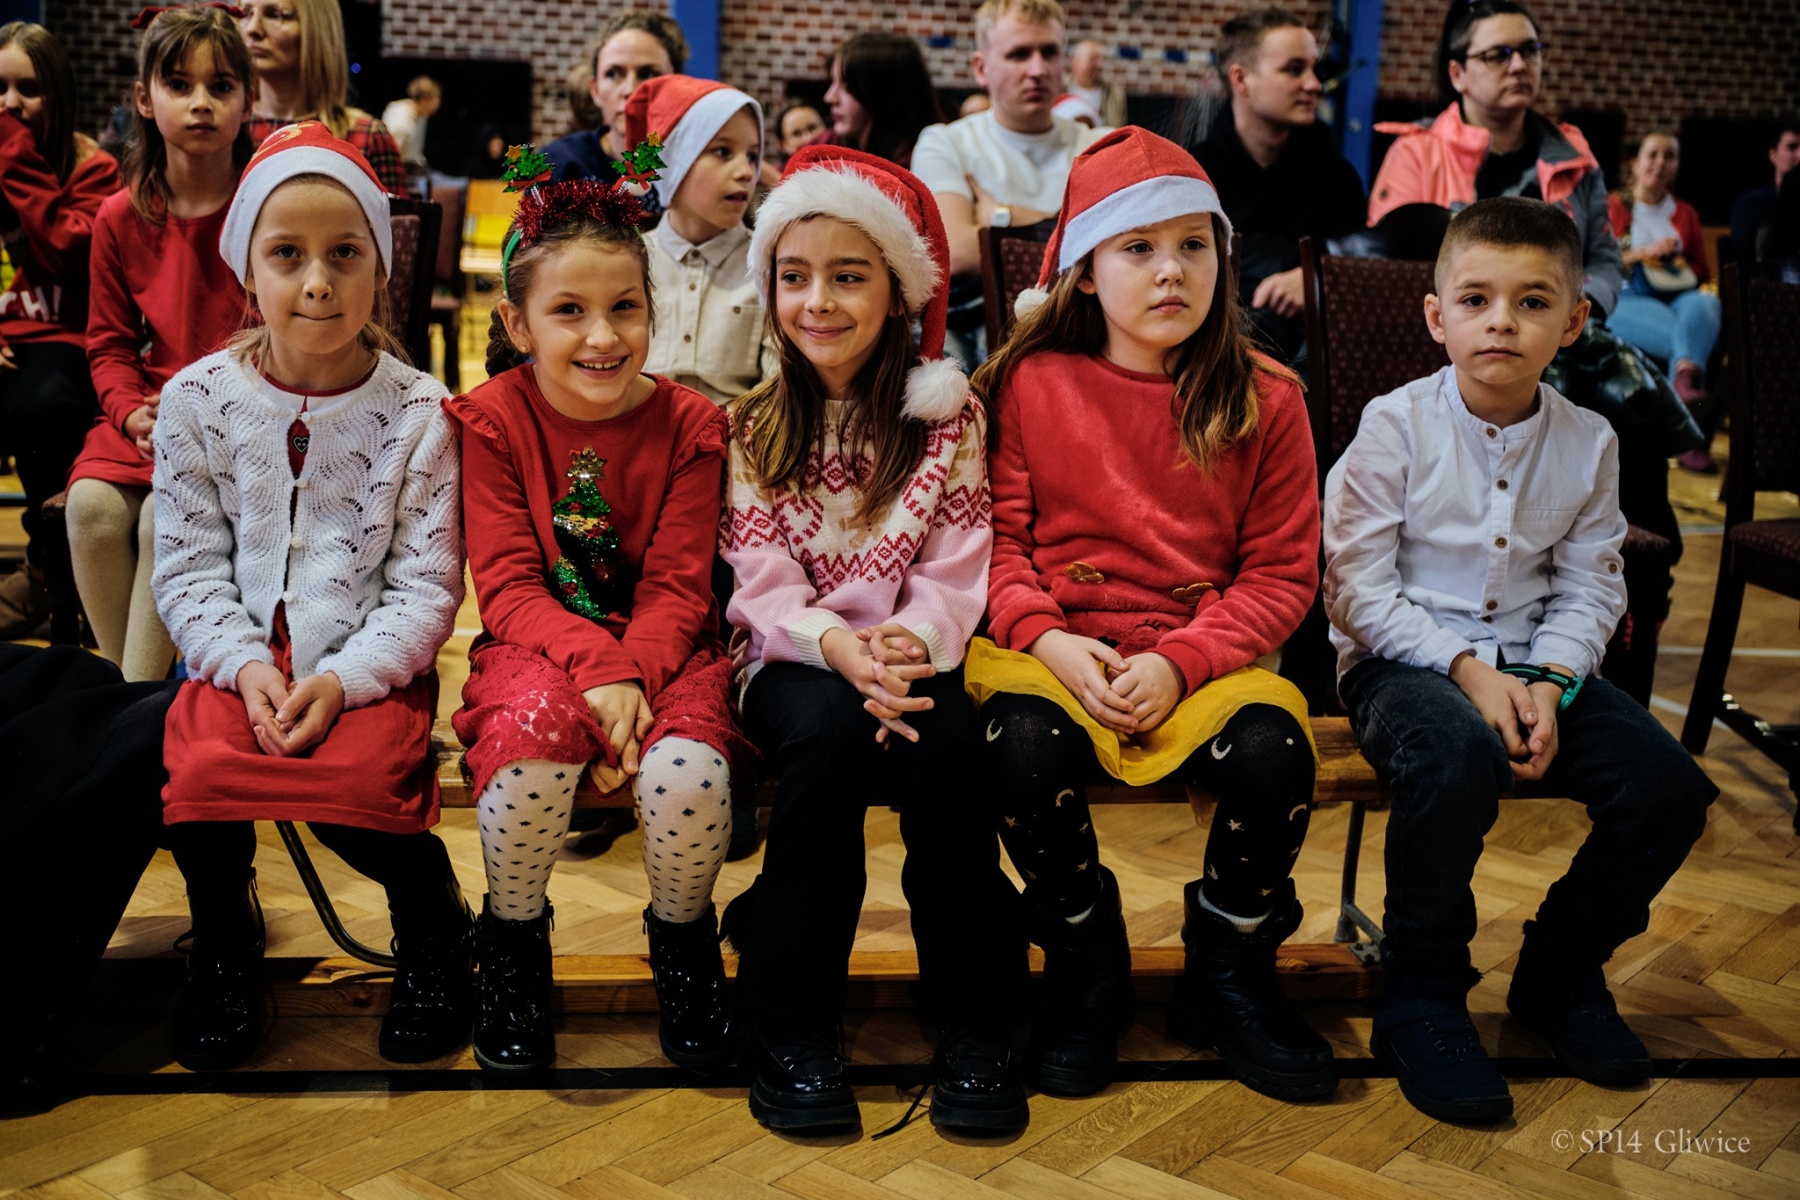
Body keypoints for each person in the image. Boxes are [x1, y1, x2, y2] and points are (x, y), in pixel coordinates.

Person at [1323, 197, 1717, 1125]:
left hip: (1541, 664)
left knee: (1669, 791)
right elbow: (1355, 591)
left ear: (1573, 323)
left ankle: (1559, 972)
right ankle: (1421, 995)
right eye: (1476, 299)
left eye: (1532, 302)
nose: (1501, 320)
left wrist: (1549, 679)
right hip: (1403, 661)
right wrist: (1470, 671)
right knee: (1453, 755)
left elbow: (1592, 587)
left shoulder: (1590, 441)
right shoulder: (1394, 425)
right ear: (1438, 316)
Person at [968, 127, 1330, 1102]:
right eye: (1139, 247)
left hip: (1203, 656)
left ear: (1223, 258)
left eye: (1193, 245)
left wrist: (1181, 662)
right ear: (1085, 272)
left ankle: (1228, 972)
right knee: (1019, 752)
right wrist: (1050, 639)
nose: (1171, 270)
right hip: (1054, 650)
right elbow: (998, 546)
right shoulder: (1027, 383)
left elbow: (1280, 576)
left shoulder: (1269, 398)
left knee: (1273, 758)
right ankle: (1087, 967)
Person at [721, 145, 1027, 1135]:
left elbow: (957, 563)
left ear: (898, 293)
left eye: (848, 277)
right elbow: (761, 583)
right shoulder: (752, 425)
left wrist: (905, 643)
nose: (817, 301)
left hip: (912, 656)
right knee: (828, 739)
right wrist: (836, 647)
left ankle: (976, 1015)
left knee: (950, 751)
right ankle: (792, 1020)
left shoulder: (947, 421)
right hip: (792, 657)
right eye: (794, 276)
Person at [151, 123, 469, 1072]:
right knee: (197, 784)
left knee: (362, 789)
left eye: (345, 254)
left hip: (362, 659)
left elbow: (424, 587)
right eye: (287, 255)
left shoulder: (420, 412)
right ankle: (224, 939)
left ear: (382, 266)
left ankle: (434, 929)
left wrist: (343, 679)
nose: (319, 282)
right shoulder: (196, 400)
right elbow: (187, 568)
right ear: (248, 270)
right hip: (238, 654)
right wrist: (243, 663)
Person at [447, 169, 757, 1076]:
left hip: (670, 650)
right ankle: (513, 946)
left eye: (625, 308)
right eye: (569, 311)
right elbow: (508, 587)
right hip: (537, 644)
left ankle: (683, 946)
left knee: (690, 777)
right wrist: (600, 671)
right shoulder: (492, 421)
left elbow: (680, 588)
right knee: (532, 760)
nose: (602, 336)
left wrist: (631, 677)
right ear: (518, 326)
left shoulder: (692, 425)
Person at [68, 6, 251, 684]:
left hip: (238, 418)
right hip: (149, 413)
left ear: (247, 102)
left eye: (221, 86)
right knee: (90, 510)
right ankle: (130, 700)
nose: (201, 102)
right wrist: (129, 415)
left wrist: (193, 414)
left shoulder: (264, 208)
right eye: (179, 84)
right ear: (145, 99)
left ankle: (131, 706)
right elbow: (109, 345)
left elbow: (280, 340)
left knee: (160, 522)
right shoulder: (120, 215)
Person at [0, 22, 119, 639]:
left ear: (59, 94)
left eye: (28, 89)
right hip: (8, 338)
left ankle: (50, 572)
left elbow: (65, 251)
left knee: (47, 404)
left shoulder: (94, 169)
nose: (10, 104)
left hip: (64, 341)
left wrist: (12, 154)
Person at [912, 0, 1105, 368]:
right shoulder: (946, 142)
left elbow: (1115, 251)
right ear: (981, 68)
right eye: (1019, 54)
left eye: (1049, 52)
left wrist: (1002, 215)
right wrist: (1069, 229)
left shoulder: (1099, 144)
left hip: (1083, 336)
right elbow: (957, 251)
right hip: (981, 347)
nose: (1038, 69)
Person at [1188, 6, 1367, 366]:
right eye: (1294, 69)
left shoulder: (1337, 178)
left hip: (1314, 367)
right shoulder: (1193, 178)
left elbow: (1364, 271)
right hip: (1209, 362)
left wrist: (1317, 281)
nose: (1313, 84)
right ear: (1241, 79)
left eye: (1314, 69)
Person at [629, 75, 777, 407]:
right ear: (674, 161)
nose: (746, 171)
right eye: (723, 151)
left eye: (753, 156)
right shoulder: (628, 259)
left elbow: (775, 392)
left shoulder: (770, 264)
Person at [1605, 132, 1722, 471]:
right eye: (1653, 154)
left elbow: (1701, 270)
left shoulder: (1686, 213)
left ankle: (1681, 390)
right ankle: (1687, 430)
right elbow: (1592, 262)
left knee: (1706, 304)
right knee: (1687, 337)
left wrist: (1674, 259)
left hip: (1677, 295)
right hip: (1627, 295)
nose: (1660, 163)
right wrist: (1643, 253)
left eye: (1669, 156)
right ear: (1635, 163)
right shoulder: (1613, 206)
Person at [237, 0, 406, 194]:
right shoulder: (230, 127)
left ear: (316, 28)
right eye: (246, 13)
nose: (252, 29)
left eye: (275, 14)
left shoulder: (366, 137)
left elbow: (392, 214)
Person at [541, 7, 687, 216]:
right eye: (613, 74)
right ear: (595, 90)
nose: (630, 90)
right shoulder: (559, 164)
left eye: (648, 74)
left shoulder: (692, 168)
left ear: (677, 86)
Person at [821, 31, 943, 168]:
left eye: (846, 86)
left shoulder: (925, 164)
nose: (830, 98)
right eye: (833, 82)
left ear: (884, 94)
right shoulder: (828, 144)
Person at [1729, 122, 1799, 265]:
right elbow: (1747, 261)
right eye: (1792, 147)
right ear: (1773, 155)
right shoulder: (1751, 205)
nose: (1799, 155)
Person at [380, 74, 440, 170]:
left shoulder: (421, 115)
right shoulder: (400, 122)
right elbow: (390, 158)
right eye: (436, 98)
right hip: (400, 170)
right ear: (425, 100)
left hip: (413, 166)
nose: (438, 103)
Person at [1066, 38, 1125, 128]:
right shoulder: (1060, 89)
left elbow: (1119, 128)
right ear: (1077, 62)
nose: (1100, 64)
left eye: (1102, 59)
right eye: (1093, 59)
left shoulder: (1113, 93)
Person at [775, 99, 825, 166]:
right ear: (783, 144)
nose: (808, 138)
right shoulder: (775, 172)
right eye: (796, 134)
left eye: (812, 128)